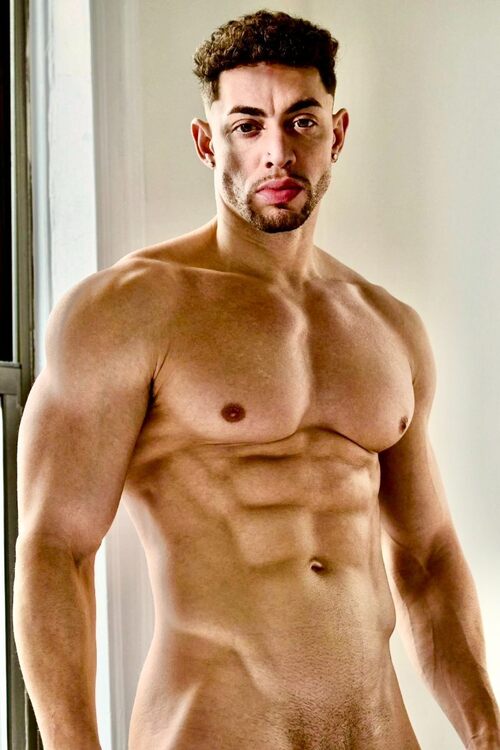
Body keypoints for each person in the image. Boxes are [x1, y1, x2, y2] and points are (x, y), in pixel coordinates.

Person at [13, 9, 500, 750]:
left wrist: (486, 729)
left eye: (302, 122)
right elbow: (56, 550)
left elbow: (428, 557)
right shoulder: (130, 310)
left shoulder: (388, 327)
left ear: (337, 134)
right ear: (208, 143)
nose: (278, 152)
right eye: (247, 126)